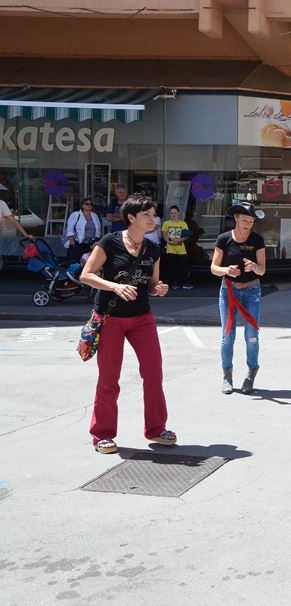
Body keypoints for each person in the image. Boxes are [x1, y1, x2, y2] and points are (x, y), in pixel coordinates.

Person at [79, 194, 174, 454]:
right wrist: (115, 287)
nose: (153, 219)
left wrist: (158, 288)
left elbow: (152, 284)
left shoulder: (153, 249)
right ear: (131, 217)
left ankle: (156, 428)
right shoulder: (109, 242)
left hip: (142, 317)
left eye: (154, 214)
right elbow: (86, 275)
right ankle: (102, 434)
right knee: (109, 378)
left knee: (153, 373)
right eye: (146, 215)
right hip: (110, 318)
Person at [210, 202, 267, 395]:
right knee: (228, 336)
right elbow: (214, 268)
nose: (248, 225)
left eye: (251, 221)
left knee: (252, 335)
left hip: (252, 290)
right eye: (244, 221)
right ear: (236, 218)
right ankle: (227, 375)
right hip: (229, 291)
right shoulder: (223, 239)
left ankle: (251, 372)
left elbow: (262, 270)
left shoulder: (257, 240)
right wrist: (226, 270)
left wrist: (254, 267)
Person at [160, 205, 193, 289]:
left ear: (178, 213)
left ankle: (184, 282)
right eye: (171, 213)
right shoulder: (166, 223)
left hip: (181, 250)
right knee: (172, 267)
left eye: (175, 213)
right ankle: (174, 283)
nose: (173, 214)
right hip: (170, 249)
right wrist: (169, 241)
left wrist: (179, 240)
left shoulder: (183, 223)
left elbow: (186, 235)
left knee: (183, 267)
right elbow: (164, 234)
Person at [63, 198, 102, 263]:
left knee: (89, 262)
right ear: (82, 205)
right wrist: (72, 241)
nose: (89, 205)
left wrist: (97, 241)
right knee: (76, 262)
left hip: (90, 244)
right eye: (87, 204)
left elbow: (98, 229)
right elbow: (70, 228)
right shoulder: (75, 214)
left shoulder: (95, 216)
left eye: (91, 204)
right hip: (78, 243)